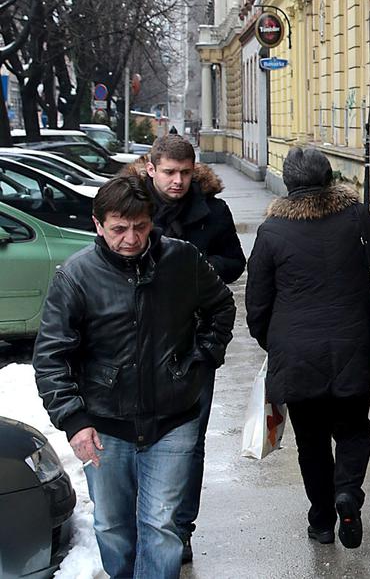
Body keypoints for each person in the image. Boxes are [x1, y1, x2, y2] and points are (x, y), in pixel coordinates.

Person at [33, 175, 235, 579]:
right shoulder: (75, 276)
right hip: (104, 424)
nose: (130, 239)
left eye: (140, 226)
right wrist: (75, 420)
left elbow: (221, 307)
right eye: (118, 229)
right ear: (98, 225)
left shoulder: (183, 260)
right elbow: (51, 356)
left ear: (151, 220)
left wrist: (199, 358)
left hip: (174, 417)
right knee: (112, 526)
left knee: (161, 526)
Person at [245, 146, 370, 549]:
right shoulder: (355, 217)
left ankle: (322, 521)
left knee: (311, 441)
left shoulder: (272, 231)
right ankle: (348, 493)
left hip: (297, 356)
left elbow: (257, 304)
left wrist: (273, 343)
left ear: (288, 184)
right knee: (354, 429)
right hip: (353, 347)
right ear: (329, 179)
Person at [124, 133, 245, 563]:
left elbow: (235, 262)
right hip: (134, 343)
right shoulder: (131, 211)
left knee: (189, 442)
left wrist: (196, 271)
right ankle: (145, 524)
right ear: (151, 169)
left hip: (191, 343)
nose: (178, 181)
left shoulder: (212, 212)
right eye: (170, 173)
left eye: (186, 173)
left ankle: (180, 528)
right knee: (137, 436)